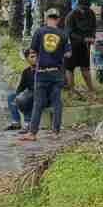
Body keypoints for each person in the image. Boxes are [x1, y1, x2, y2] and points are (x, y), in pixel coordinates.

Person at [21, 8, 70, 142]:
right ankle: (55, 132)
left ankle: (32, 133)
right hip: (57, 72)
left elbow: (32, 51)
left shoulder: (39, 32)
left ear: (46, 18)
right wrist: (58, 54)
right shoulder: (63, 34)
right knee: (57, 102)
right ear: (58, 19)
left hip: (41, 73)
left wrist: (41, 58)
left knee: (38, 103)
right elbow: (68, 54)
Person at [63, 0, 98, 93]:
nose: (84, 11)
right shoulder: (71, 16)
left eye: (86, 9)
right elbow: (69, 33)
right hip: (72, 44)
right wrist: (84, 39)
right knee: (70, 68)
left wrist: (93, 37)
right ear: (78, 6)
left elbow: (94, 27)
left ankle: (91, 88)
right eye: (82, 9)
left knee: (85, 67)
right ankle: (71, 90)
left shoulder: (91, 13)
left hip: (85, 45)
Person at [5, 50, 36, 130]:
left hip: (40, 95)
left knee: (25, 99)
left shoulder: (42, 70)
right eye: (32, 57)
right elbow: (21, 87)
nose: (35, 59)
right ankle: (16, 122)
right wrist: (17, 95)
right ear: (27, 59)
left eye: (36, 56)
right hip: (29, 94)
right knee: (11, 97)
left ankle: (28, 123)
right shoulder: (26, 72)